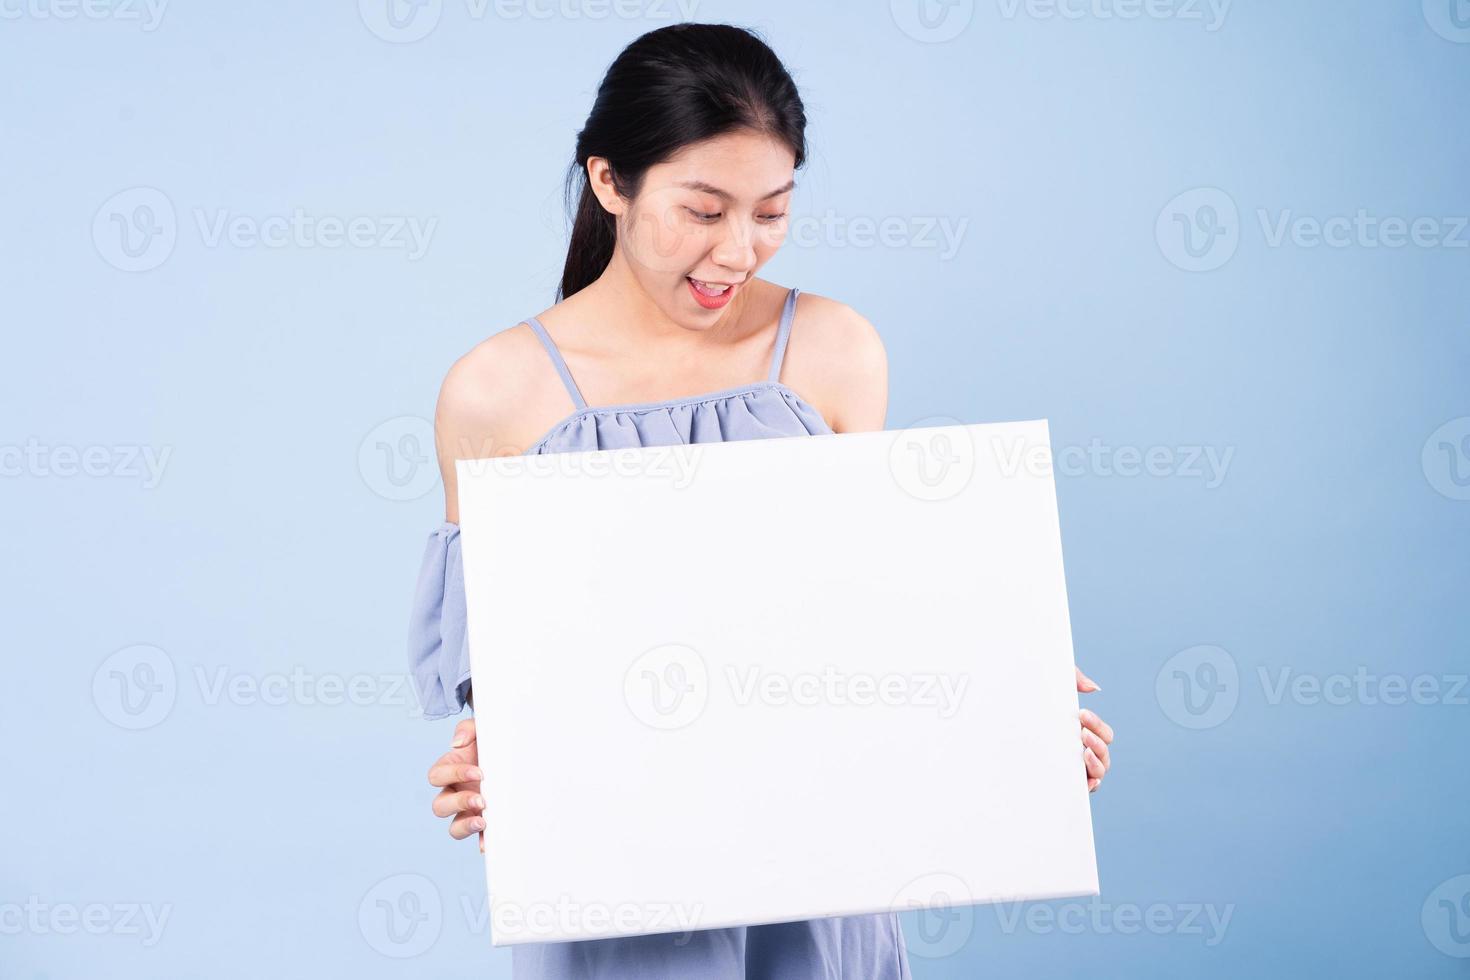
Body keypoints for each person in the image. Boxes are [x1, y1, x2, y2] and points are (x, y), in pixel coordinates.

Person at [407, 22, 1114, 979]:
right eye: (703, 211)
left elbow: (873, 627)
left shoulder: (832, 349)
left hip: (823, 891)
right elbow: (512, 693)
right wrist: (488, 772)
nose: (738, 251)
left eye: (771, 212)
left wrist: (1004, 715)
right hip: (624, 895)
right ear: (609, 181)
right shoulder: (495, 392)